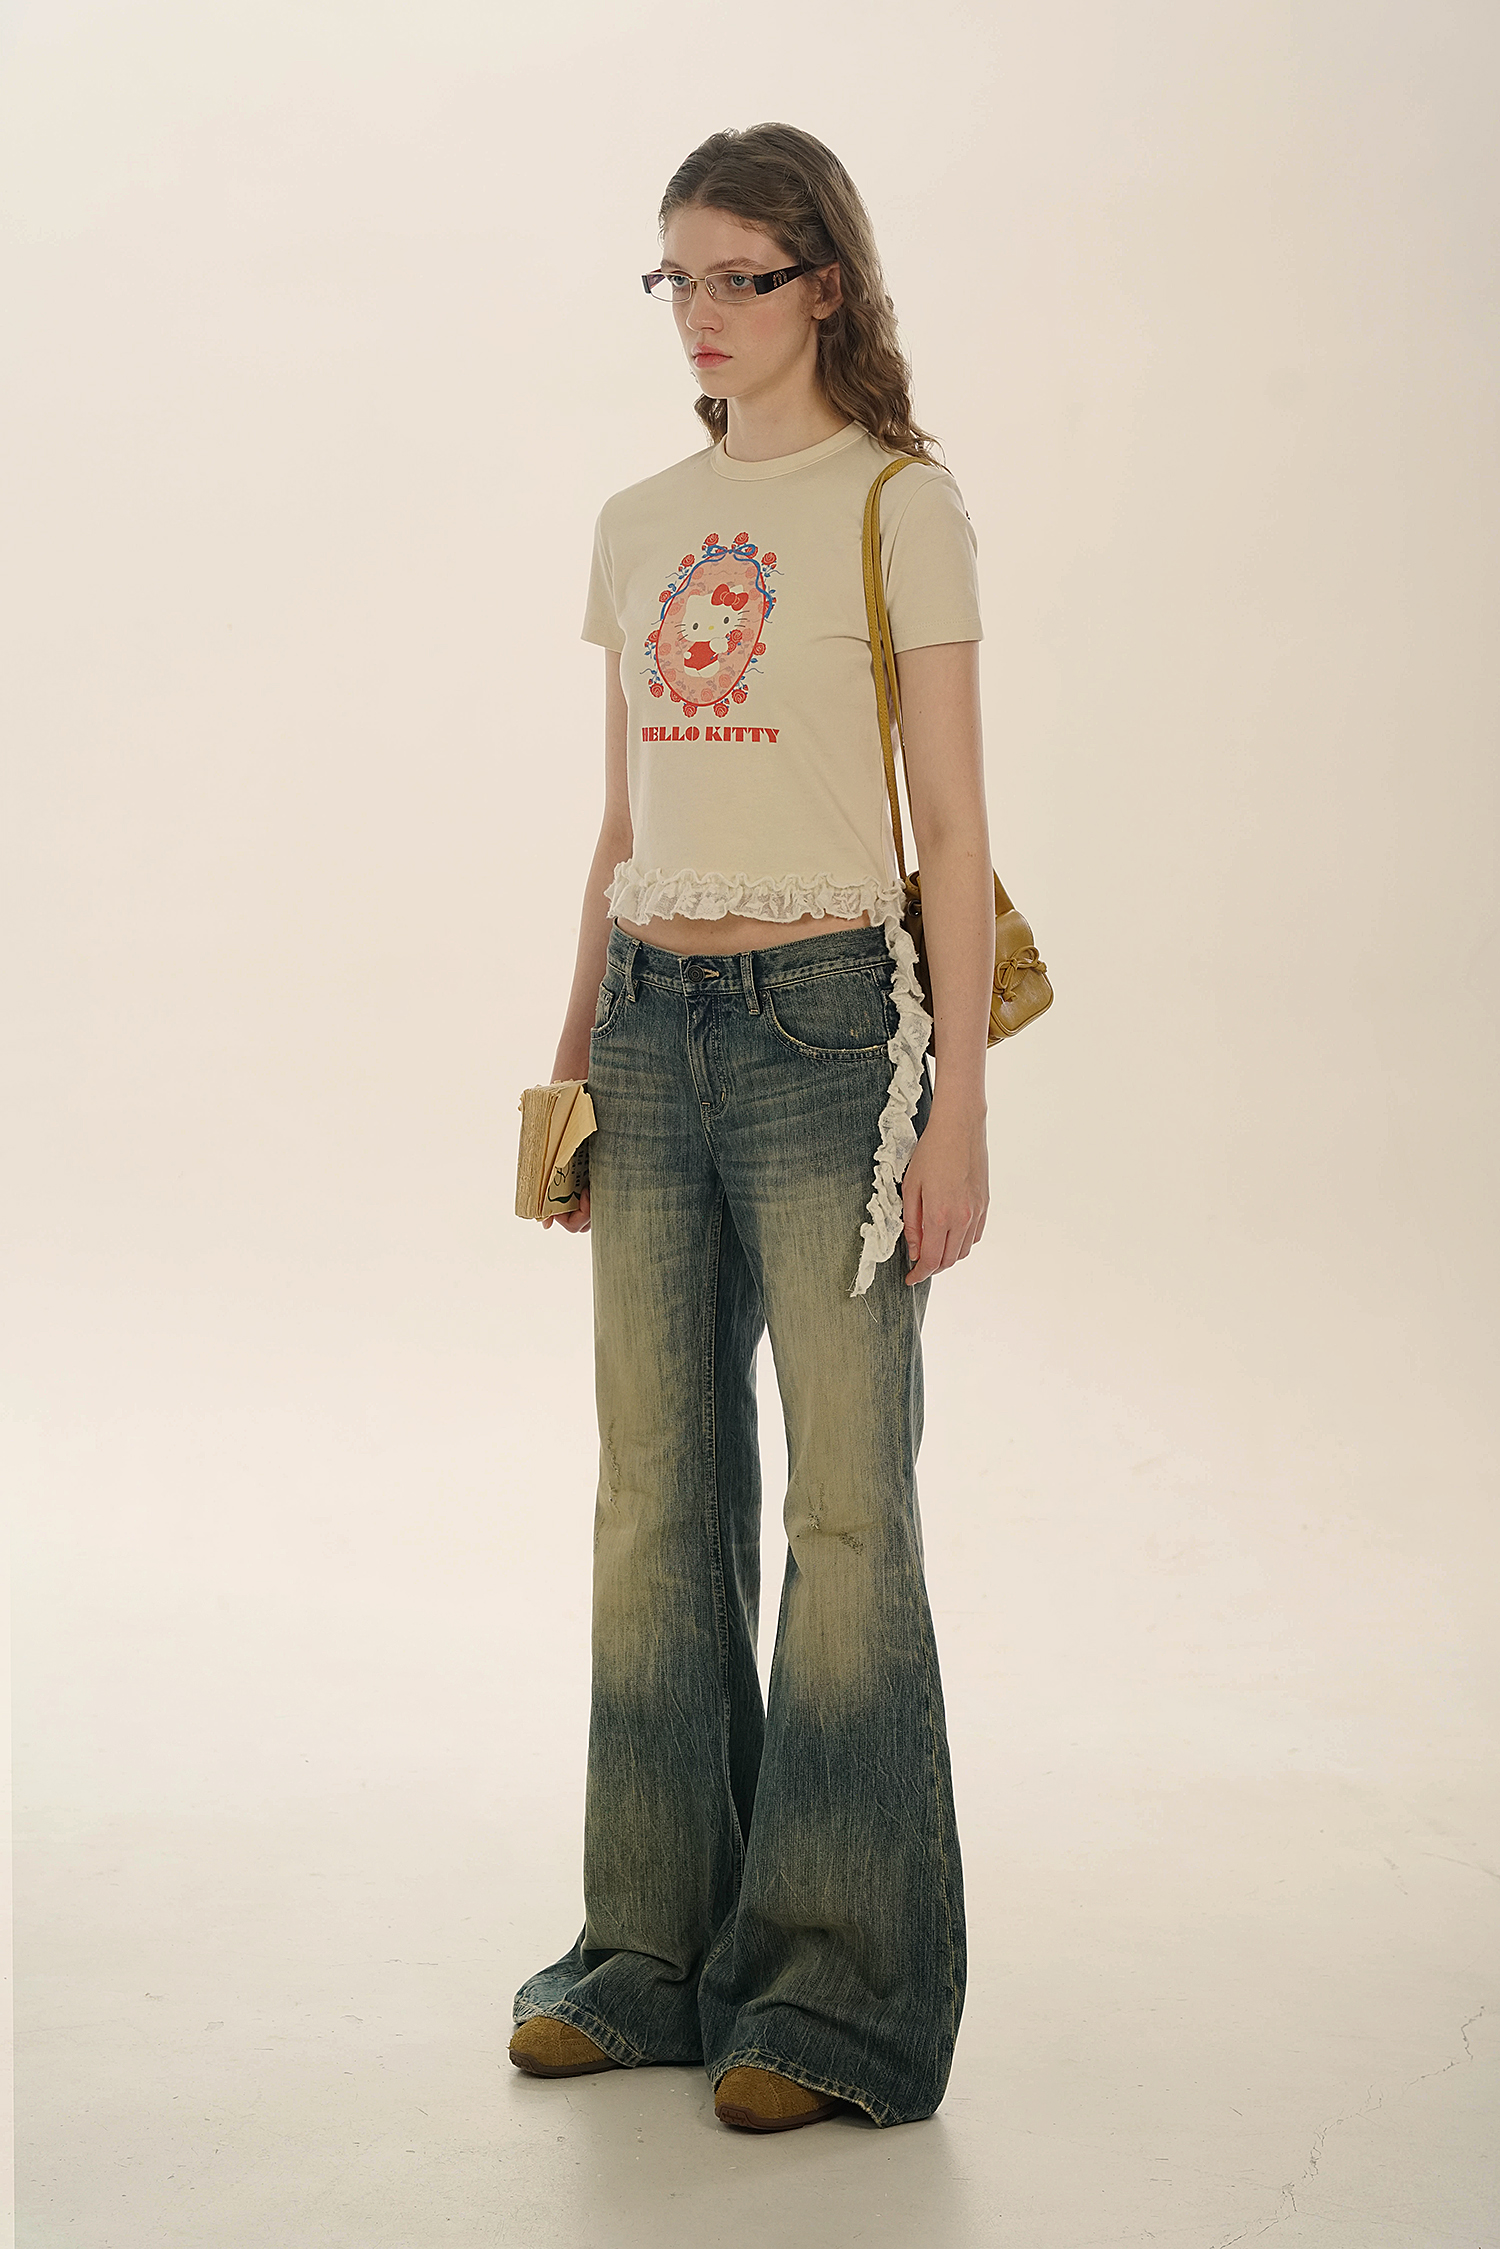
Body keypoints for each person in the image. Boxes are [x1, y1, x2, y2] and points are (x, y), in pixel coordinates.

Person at [508, 121, 995, 2134]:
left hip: (828, 1034)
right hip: (653, 1026)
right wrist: (571, 1069)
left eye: (738, 277)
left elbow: (951, 824)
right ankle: (648, 1952)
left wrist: (957, 1109)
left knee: (849, 1513)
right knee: (654, 1500)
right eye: (677, 280)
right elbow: (624, 823)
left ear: (826, 287)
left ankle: (838, 1990)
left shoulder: (898, 502)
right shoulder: (639, 521)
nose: (699, 315)